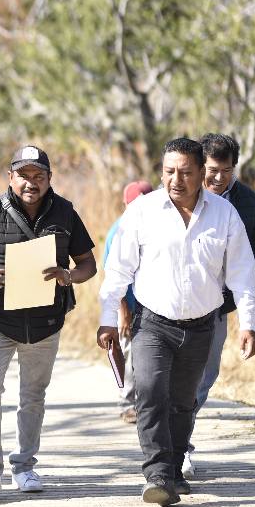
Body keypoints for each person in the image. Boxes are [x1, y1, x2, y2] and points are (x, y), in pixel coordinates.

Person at [98, 137, 255, 507]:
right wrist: (108, 320)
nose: (176, 179)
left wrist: (247, 323)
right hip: (153, 323)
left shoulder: (224, 214)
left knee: (183, 403)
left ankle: (172, 470)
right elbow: (117, 270)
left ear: (202, 173)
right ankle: (156, 475)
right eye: (169, 171)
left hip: (202, 325)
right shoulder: (142, 211)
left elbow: (241, 272)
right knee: (151, 394)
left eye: (186, 172)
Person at [0, 145, 97, 497]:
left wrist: (68, 276)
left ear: (49, 179)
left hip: (45, 324)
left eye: (39, 176)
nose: (31, 183)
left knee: (33, 397)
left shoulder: (65, 212)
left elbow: (88, 265)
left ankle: (25, 467)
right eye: (24, 175)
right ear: (10, 177)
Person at [183, 133, 255, 478]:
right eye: (213, 170)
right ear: (201, 165)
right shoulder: (181, 192)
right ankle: (177, 448)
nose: (218, 178)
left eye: (227, 171)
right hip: (178, 301)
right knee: (177, 379)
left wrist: (254, 306)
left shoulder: (245, 199)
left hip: (219, 305)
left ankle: (179, 438)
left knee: (205, 377)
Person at [105, 180, 153, 423]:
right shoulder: (118, 231)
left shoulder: (157, 226)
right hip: (127, 305)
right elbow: (114, 276)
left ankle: (145, 404)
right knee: (127, 353)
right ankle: (126, 403)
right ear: (126, 205)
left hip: (151, 306)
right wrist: (123, 312)